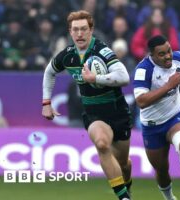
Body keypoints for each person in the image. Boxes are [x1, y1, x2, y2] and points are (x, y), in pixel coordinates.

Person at [41, 10, 132, 200]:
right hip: (93, 113)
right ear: (70, 32)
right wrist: (46, 102)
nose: (79, 34)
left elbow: (124, 77)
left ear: (91, 30)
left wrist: (95, 78)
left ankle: (127, 185)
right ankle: (124, 197)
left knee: (124, 163)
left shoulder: (102, 51)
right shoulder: (67, 55)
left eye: (84, 29)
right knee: (101, 143)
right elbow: (49, 72)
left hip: (117, 111)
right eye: (75, 30)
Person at [133, 35, 180, 200]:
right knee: (161, 169)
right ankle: (169, 198)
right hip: (152, 126)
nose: (168, 56)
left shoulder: (179, 58)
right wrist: (169, 86)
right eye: (162, 54)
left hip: (175, 116)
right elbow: (141, 101)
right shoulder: (143, 70)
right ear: (151, 55)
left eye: (169, 51)